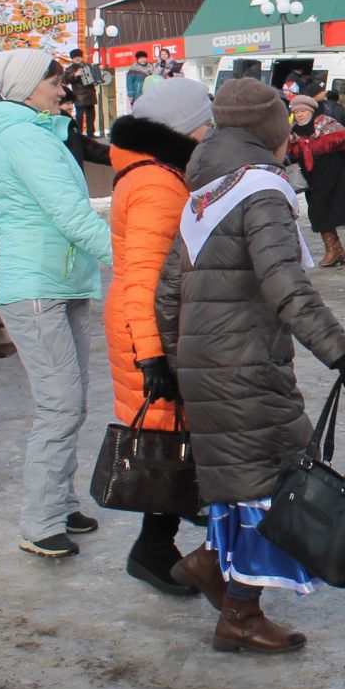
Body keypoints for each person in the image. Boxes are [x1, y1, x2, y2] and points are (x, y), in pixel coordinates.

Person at [154, 79, 345, 649]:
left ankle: (211, 565)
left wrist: (182, 364)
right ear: (272, 132)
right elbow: (286, 287)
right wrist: (342, 354)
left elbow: (169, 290)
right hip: (246, 360)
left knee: (239, 479)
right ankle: (240, 615)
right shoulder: (263, 193)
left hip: (208, 362)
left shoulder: (205, 193)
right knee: (274, 480)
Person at [0, 49, 113, 558]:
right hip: (35, 286)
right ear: (29, 87)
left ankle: (60, 501)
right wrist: (133, 261)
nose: (63, 91)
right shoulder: (24, 140)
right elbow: (70, 215)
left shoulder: (41, 134)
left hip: (63, 279)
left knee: (72, 401)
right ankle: (40, 520)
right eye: (55, 82)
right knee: (60, 404)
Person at [102, 78, 214, 591]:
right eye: (206, 121)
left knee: (170, 441)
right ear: (184, 127)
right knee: (165, 443)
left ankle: (157, 545)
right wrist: (153, 357)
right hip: (149, 331)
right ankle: (152, 550)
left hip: (151, 326)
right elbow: (146, 276)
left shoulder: (159, 174)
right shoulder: (157, 184)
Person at [289, 86, 345, 268]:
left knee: (325, 212)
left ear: (311, 110)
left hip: (331, 176)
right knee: (318, 213)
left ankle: (332, 251)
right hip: (311, 180)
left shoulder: (327, 124)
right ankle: (338, 251)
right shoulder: (294, 131)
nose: (300, 115)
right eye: (296, 112)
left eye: (303, 111)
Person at [64, 48, 101, 136]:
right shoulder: (70, 68)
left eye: (79, 56)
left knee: (91, 115)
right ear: (72, 59)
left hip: (90, 94)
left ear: (81, 57)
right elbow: (65, 80)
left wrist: (98, 76)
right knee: (79, 115)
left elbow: (95, 77)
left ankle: (90, 133)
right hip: (79, 96)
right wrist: (75, 75)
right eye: (75, 57)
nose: (77, 58)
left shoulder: (88, 66)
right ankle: (79, 133)